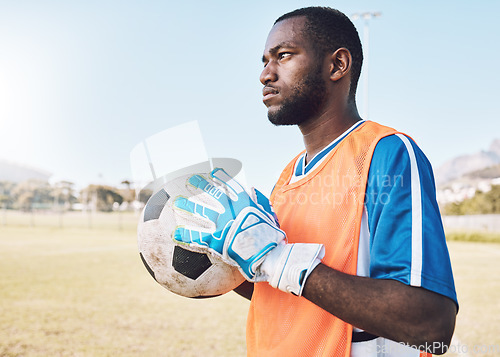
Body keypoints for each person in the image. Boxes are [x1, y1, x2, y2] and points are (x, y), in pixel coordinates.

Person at [174, 6, 457, 357]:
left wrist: (276, 259)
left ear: (337, 65)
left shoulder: (386, 154)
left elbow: (431, 325)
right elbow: (292, 292)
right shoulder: (287, 175)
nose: (265, 74)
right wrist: (229, 262)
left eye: (284, 56)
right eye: (264, 61)